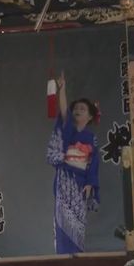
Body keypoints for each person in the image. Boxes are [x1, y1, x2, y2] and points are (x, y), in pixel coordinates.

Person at [46, 71, 99, 254]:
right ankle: (61, 255)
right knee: (62, 220)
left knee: (78, 222)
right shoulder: (68, 127)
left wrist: (91, 183)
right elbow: (63, 111)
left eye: (83, 109)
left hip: (80, 182)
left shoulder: (91, 138)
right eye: (76, 108)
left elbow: (94, 163)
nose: (78, 111)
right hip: (65, 180)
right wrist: (62, 89)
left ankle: (77, 254)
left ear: (90, 116)